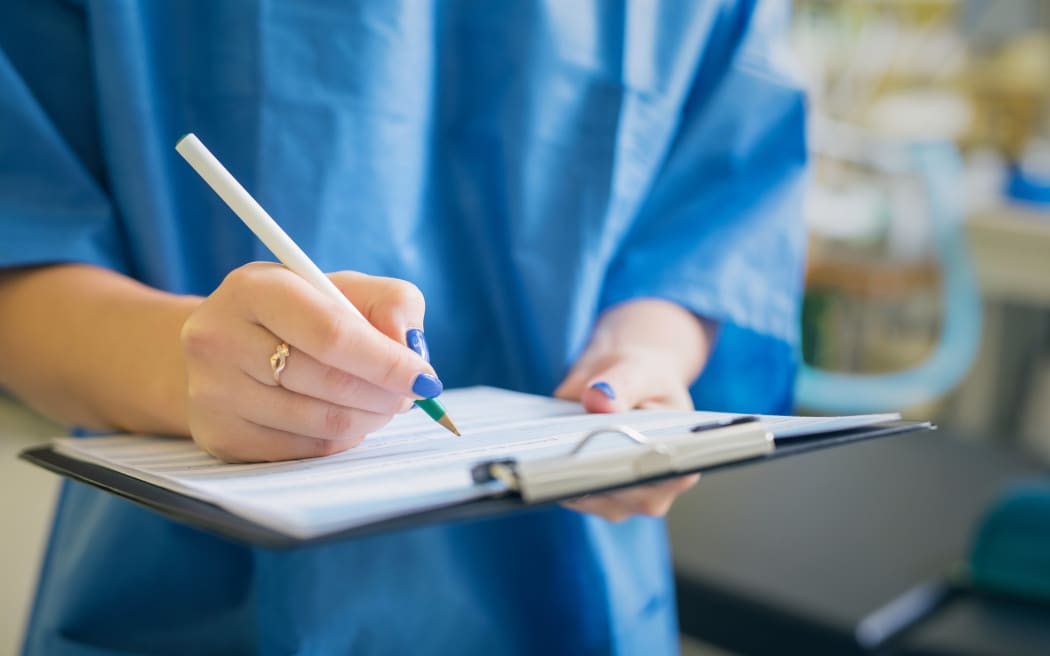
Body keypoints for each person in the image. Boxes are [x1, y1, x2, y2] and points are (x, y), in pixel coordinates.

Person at [0, 0, 806, 653]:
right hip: (188, 601)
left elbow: (711, 209)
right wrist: (184, 365)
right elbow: (21, 229)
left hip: (572, 588)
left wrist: (643, 351)